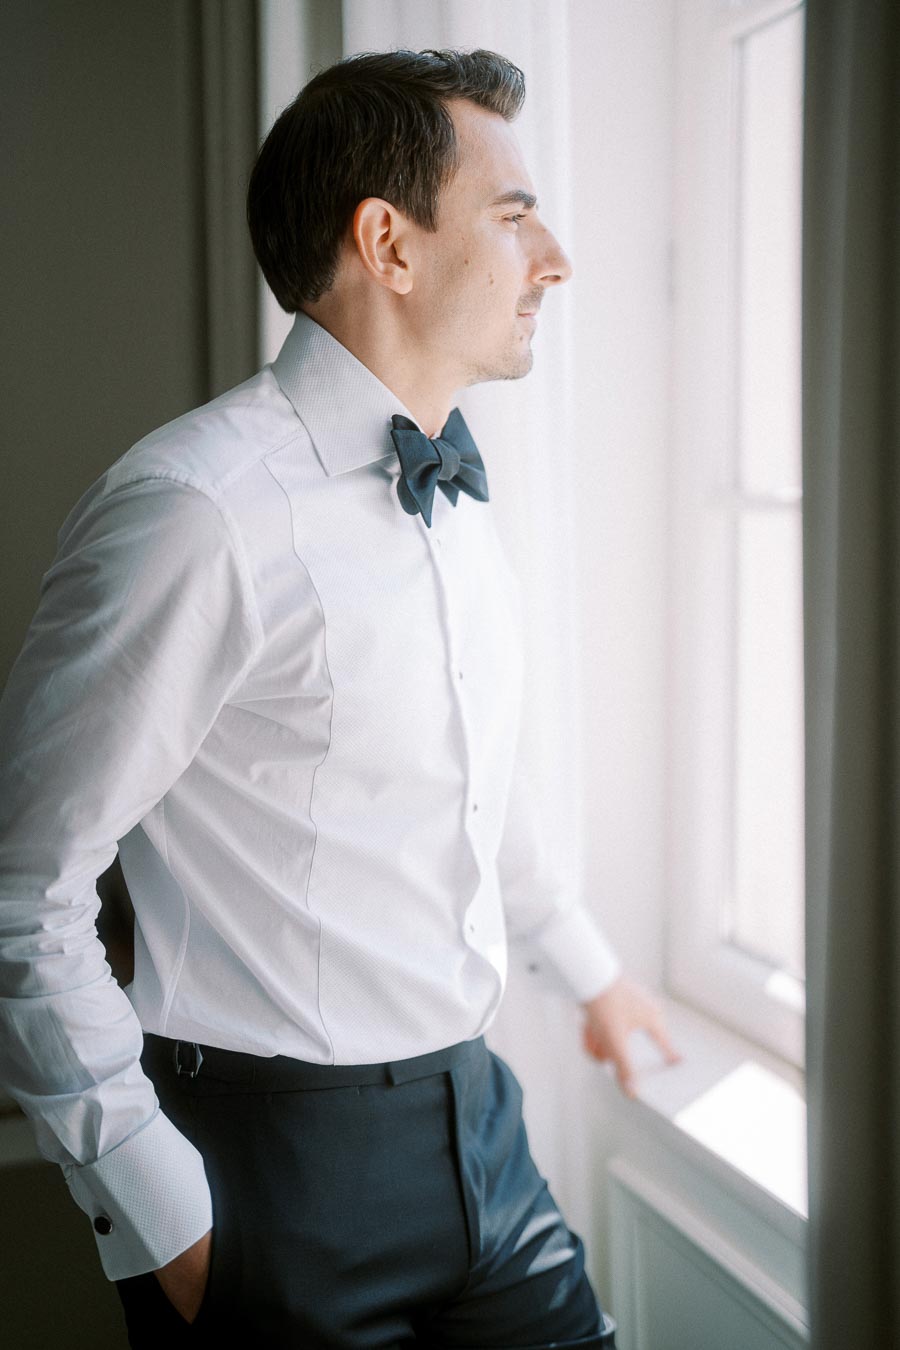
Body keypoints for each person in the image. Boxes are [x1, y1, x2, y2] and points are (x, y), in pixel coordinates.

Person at [0, 47, 679, 1348]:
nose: (557, 260)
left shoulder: (458, 504)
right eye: (516, 212)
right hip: (271, 1183)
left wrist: (591, 974)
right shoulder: (192, 512)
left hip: (485, 1130)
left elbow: (476, 776)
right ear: (391, 243)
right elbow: (23, 889)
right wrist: (170, 1219)